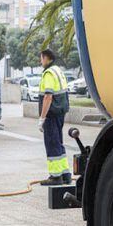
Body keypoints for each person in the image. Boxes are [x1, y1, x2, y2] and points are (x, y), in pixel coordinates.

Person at [38, 49, 71, 186]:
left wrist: (42, 118)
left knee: (52, 143)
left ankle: (55, 177)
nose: (40, 61)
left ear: (46, 58)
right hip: (60, 112)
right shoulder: (58, 70)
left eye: (41, 58)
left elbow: (48, 96)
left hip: (51, 115)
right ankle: (65, 174)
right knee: (58, 143)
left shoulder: (49, 73)